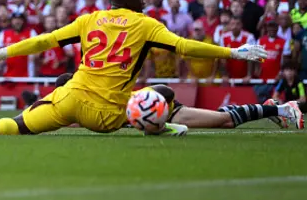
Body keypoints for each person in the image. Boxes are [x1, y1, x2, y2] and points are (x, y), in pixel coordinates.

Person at [0, 0, 268, 137]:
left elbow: (45, 40)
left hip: (69, 99)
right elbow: (185, 46)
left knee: (16, 125)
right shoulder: (146, 25)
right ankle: (157, 125)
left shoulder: (89, 19)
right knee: (164, 93)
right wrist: (233, 52)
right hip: (109, 114)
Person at [54, 73, 304, 131]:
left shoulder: (103, 93)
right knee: (220, 116)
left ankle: (283, 107)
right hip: (155, 120)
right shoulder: (80, 110)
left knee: (223, 120)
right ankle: (271, 106)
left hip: (167, 112)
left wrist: (155, 109)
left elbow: (166, 89)